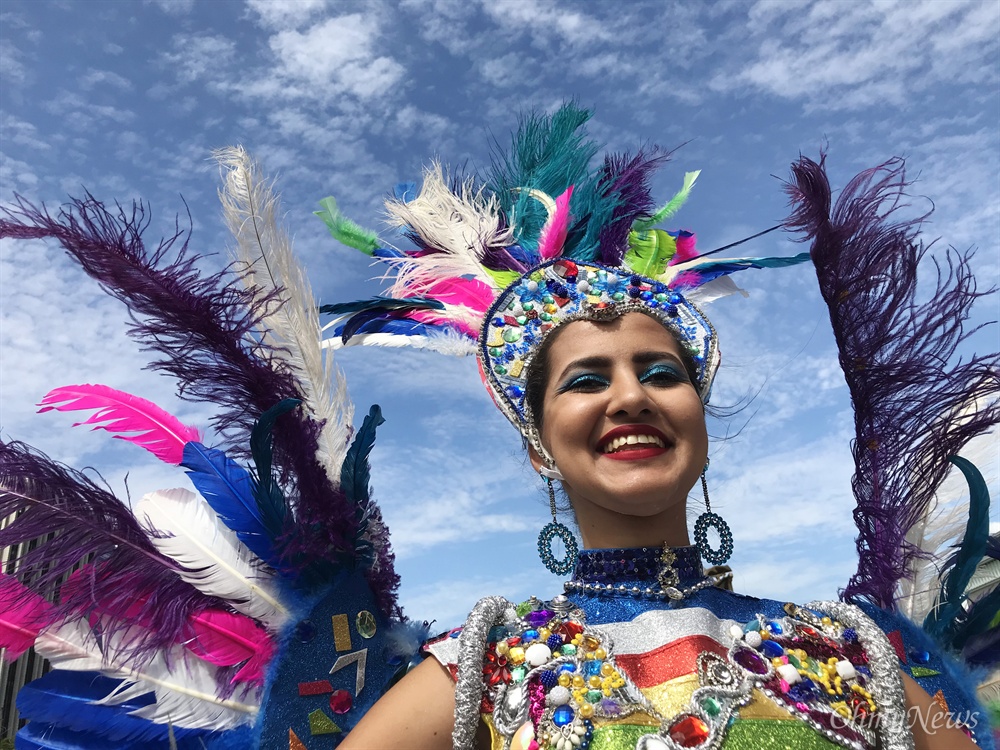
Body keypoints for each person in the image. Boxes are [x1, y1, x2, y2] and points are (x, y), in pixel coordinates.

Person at [1, 107, 995, 750]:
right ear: (536, 441)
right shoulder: (488, 662)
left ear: (698, 413)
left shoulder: (849, 652)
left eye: (660, 372)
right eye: (584, 381)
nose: (628, 397)